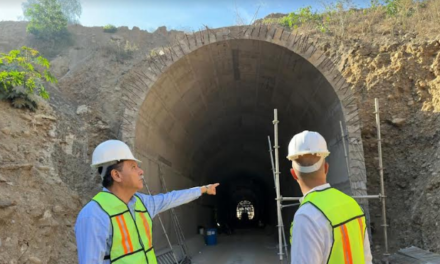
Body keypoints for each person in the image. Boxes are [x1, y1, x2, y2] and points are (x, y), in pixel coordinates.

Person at [75, 140, 219, 264]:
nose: (141, 171)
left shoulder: (142, 203)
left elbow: (172, 198)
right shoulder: (94, 215)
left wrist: (203, 189)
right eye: (133, 167)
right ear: (116, 175)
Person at [287, 131, 372, 264]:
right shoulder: (351, 204)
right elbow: (366, 258)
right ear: (326, 168)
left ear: (294, 174)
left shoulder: (307, 216)